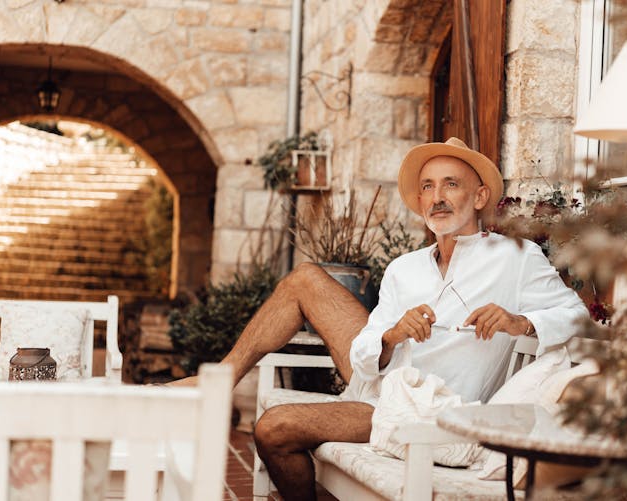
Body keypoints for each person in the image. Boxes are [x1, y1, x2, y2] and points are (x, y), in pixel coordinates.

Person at [180, 137, 588, 500]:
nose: (437, 196)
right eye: (427, 187)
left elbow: (576, 315)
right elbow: (364, 355)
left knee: (273, 429)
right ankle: (217, 383)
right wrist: (392, 336)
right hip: (381, 380)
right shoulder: (404, 268)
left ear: (480, 197)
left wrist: (521, 322)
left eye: (451, 184)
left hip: (425, 411)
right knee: (306, 278)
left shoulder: (514, 258)